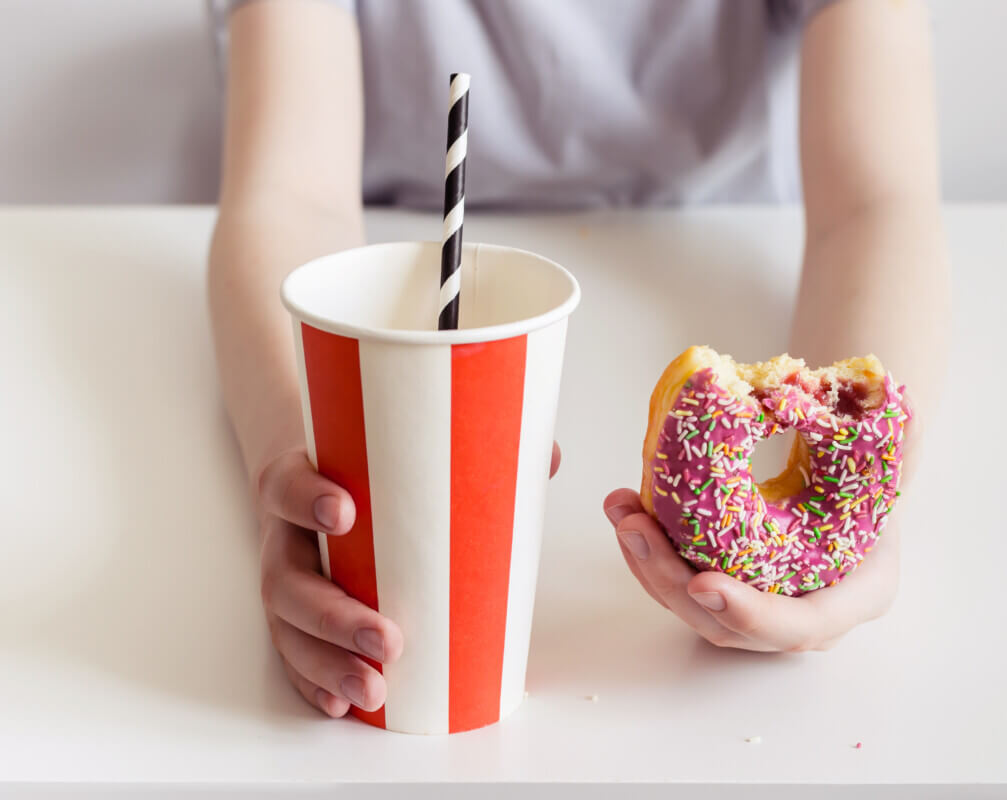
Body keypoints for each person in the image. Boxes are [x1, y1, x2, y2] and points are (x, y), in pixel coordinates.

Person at [207, 0, 950, 718]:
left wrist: (863, 511)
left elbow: (877, 204)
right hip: (397, 271)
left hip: (715, 240)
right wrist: (294, 469)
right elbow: (290, 199)